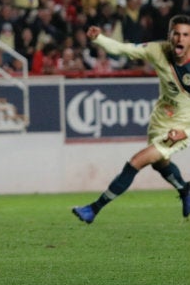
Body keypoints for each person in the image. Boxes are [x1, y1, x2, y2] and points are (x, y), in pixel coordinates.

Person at [72, 17, 190, 224]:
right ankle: (185, 190)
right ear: (169, 35)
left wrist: (185, 133)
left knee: (136, 162)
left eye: (186, 35)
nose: (180, 38)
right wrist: (99, 38)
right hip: (160, 120)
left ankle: (93, 209)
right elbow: (123, 49)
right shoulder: (157, 50)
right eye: (176, 33)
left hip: (182, 127)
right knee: (160, 163)